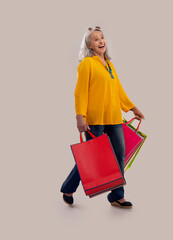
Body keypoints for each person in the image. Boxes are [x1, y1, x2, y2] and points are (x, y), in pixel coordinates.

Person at [60, 26, 144, 209]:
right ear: (89, 45)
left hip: (114, 116)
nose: (101, 41)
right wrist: (80, 117)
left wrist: (132, 107)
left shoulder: (109, 64)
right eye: (96, 39)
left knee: (119, 156)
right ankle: (68, 188)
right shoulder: (86, 64)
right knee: (90, 158)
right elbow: (80, 93)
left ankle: (117, 196)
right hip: (94, 120)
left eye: (102, 37)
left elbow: (118, 90)